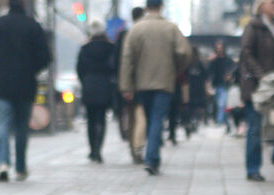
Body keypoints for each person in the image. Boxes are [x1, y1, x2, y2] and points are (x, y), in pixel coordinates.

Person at [0, 0, 51, 182]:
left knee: (1, 123)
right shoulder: (33, 27)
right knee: (21, 126)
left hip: (2, 83)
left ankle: (2, 163)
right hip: (25, 84)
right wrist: (32, 69)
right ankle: (20, 166)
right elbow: (45, 56)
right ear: (24, 5)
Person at [118, 0, 191, 176]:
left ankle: (152, 157)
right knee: (157, 119)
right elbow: (184, 53)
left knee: (151, 119)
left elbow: (127, 59)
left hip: (142, 83)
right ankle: (152, 158)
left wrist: (126, 86)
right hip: (164, 81)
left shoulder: (136, 29)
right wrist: (176, 69)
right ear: (161, 7)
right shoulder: (171, 28)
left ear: (146, 8)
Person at [239, 0, 274, 181]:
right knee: (255, 127)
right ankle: (253, 169)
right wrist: (260, 75)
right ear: (262, 5)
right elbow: (246, 53)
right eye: (272, 2)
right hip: (258, 86)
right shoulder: (253, 26)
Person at [77, 20, 115, 163]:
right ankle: (99, 149)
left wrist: (85, 81)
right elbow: (114, 67)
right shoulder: (110, 47)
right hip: (105, 85)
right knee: (101, 118)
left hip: (89, 85)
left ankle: (92, 149)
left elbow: (79, 68)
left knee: (91, 119)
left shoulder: (85, 48)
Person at [113, 7, 146, 164]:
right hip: (143, 81)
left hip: (127, 82)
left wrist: (123, 84)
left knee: (132, 116)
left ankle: (133, 146)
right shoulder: (144, 34)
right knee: (140, 116)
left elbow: (118, 62)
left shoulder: (123, 35)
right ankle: (137, 147)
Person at [208, 40, 234, 132]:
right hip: (216, 84)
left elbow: (233, 68)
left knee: (221, 104)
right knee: (218, 104)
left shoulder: (227, 59)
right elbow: (209, 72)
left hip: (225, 85)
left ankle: (220, 121)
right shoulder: (214, 60)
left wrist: (229, 75)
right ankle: (226, 123)